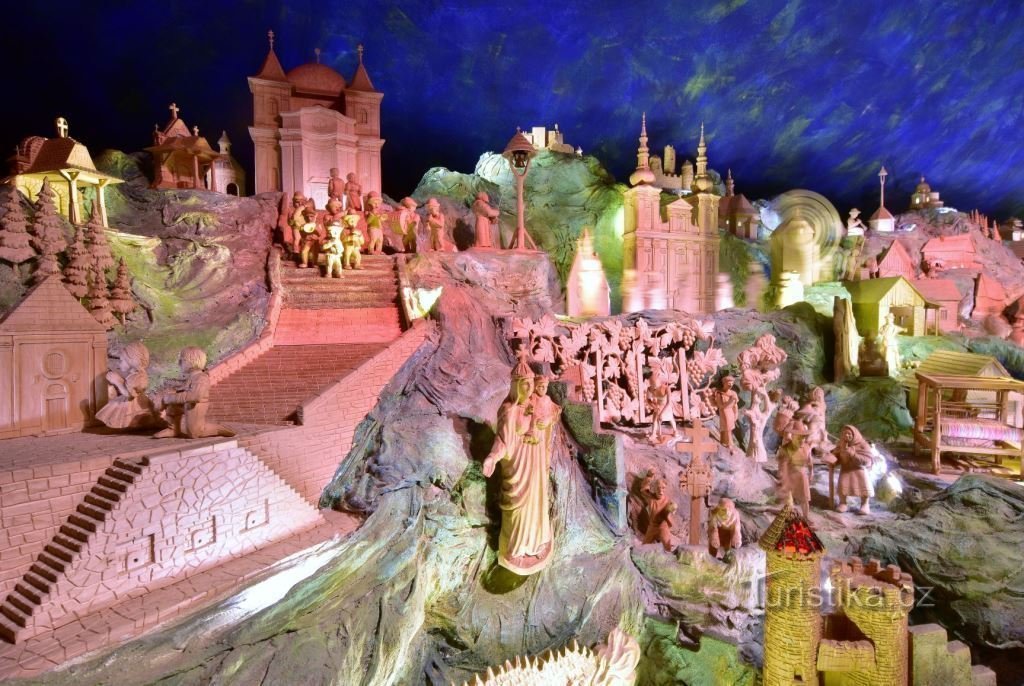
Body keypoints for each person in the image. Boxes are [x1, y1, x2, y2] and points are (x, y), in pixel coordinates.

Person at [482, 358, 555, 575]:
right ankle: (515, 549)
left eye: (530, 384)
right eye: (524, 384)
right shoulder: (508, 410)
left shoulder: (535, 403)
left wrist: (547, 423)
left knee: (537, 503)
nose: (529, 388)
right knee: (518, 509)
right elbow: (502, 442)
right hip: (518, 467)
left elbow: (551, 414)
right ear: (515, 386)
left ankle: (537, 542)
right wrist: (492, 458)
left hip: (535, 463)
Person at [154, 347, 235, 439]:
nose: (179, 363)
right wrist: (167, 394)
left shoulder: (201, 378)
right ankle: (173, 429)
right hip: (186, 403)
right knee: (172, 404)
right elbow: (181, 389)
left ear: (192, 362)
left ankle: (219, 429)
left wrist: (170, 398)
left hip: (196, 404)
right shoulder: (189, 377)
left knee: (194, 433)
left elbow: (195, 396)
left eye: (182, 360)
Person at [95, 341, 161, 430]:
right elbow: (128, 387)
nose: (119, 364)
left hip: (134, 403)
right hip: (130, 400)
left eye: (122, 361)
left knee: (124, 415)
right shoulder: (134, 375)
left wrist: (117, 381)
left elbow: (129, 394)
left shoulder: (139, 377)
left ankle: (135, 425)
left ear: (131, 361)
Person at [828, 425, 874, 514]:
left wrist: (852, 454)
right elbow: (837, 457)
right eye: (844, 433)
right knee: (843, 485)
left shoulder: (863, 445)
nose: (847, 435)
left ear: (854, 434)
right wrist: (832, 460)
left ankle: (865, 504)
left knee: (863, 486)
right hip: (846, 469)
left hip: (859, 470)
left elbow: (866, 460)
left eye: (849, 434)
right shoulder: (841, 444)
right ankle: (843, 503)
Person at [776, 419, 812, 518]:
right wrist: (782, 478)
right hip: (789, 477)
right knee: (789, 502)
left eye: (803, 437)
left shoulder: (807, 448)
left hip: (802, 476)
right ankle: (790, 518)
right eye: (798, 437)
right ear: (793, 436)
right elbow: (782, 465)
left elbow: (810, 461)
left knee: (804, 500)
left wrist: (811, 472)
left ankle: (806, 518)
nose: (801, 439)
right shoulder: (786, 448)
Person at [712, 375, 739, 449]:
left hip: (731, 412)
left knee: (729, 427)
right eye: (729, 383)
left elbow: (735, 405)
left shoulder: (733, 393)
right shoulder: (719, 393)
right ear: (724, 383)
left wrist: (736, 413)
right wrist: (730, 400)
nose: (730, 385)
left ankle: (723, 441)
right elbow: (721, 406)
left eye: (732, 383)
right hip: (724, 411)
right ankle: (730, 443)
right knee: (727, 427)